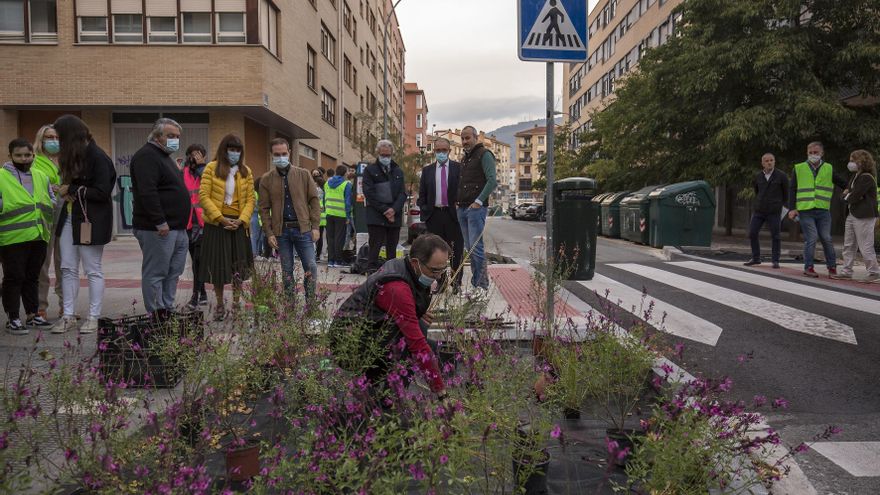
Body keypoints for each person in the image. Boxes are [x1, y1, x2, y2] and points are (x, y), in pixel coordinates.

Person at [330, 233, 449, 396]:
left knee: (427, 338)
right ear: (416, 263)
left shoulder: (403, 266)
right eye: (435, 270)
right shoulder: (396, 287)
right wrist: (440, 391)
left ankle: (371, 385)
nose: (439, 276)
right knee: (411, 345)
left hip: (369, 332)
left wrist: (413, 312)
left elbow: (391, 306)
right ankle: (389, 400)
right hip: (350, 345)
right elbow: (417, 344)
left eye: (443, 269)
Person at [51, 115, 116, 334]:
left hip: (91, 221)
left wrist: (71, 190)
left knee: (92, 269)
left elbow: (102, 192)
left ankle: (94, 317)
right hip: (70, 218)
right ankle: (68, 315)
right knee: (67, 268)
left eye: (60, 138)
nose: (57, 142)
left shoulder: (98, 157)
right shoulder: (73, 157)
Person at [130, 118, 191, 316]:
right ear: (157, 136)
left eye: (177, 137)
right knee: (156, 272)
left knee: (174, 271)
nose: (175, 140)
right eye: (170, 136)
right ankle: (156, 314)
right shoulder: (147, 156)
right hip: (158, 229)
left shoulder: (165, 157)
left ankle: (167, 308)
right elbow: (148, 192)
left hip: (178, 228)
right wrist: (159, 221)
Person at [198, 134, 255, 320]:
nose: (234, 153)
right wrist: (221, 219)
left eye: (238, 150)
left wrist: (241, 220)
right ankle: (220, 304)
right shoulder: (211, 168)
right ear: (224, 150)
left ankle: (237, 304)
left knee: (238, 267)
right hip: (217, 224)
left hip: (238, 225)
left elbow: (250, 200)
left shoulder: (246, 171)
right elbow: (204, 197)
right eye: (231, 149)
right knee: (218, 268)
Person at [1, 139, 53, 334]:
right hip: (12, 237)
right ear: (10, 157)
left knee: (32, 277)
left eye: (27, 155)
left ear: (33, 155)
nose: (24, 159)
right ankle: (12, 318)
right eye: (19, 155)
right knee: (14, 277)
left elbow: (50, 200)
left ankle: (33, 314)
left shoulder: (41, 176)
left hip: (39, 235)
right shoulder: (1, 177)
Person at [258, 138, 321, 299]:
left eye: (284, 154)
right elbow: (264, 208)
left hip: (303, 230)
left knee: (311, 266)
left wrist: (315, 226)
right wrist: (269, 233)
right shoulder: (266, 179)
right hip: (281, 232)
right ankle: (289, 305)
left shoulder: (304, 174)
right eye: (277, 154)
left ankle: (311, 303)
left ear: (289, 153)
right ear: (271, 155)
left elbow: (314, 200)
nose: (281, 157)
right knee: (286, 269)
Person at [788, 141, 848, 278]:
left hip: (823, 210)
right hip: (805, 210)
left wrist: (847, 190)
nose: (813, 155)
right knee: (812, 238)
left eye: (816, 153)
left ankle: (832, 268)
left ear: (822, 153)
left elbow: (843, 183)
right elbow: (792, 189)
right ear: (807, 153)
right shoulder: (798, 168)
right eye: (810, 152)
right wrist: (792, 208)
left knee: (826, 238)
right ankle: (809, 267)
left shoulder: (829, 168)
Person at [418, 137, 464, 290]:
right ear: (434, 151)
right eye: (438, 150)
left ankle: (456, 282)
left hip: (454, 216)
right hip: (434, 216)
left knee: (456, 250)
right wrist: (425, 210)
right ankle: (441, 282)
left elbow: (464, 190)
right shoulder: (427, 170)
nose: (441, 153)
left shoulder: (459, 168)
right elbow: (422, 195)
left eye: (444, 150)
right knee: (436, 252)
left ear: (449, 151)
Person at [457, 125, 497, 292]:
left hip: (475, 209)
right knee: (470, 248)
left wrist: (479, 201)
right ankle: (476, 284)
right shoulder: (465, 158)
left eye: (468, 138)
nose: (465, 141)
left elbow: (492, 181)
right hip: (462, 208)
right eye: (462, 138)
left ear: (476, 138)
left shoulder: (484, 154)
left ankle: (481, 285)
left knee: (476, 247)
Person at [832, 150, 879, 282]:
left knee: (865, 245)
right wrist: (848, 195)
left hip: (864, 215)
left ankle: (874, 272)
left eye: (853, 160)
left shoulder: (866, 177)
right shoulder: (855, 176)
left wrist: (848, 195)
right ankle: (846, 271)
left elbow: (853, 196)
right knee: (849, 244)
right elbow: (848, 194)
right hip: (852, 214)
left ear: (862, 161)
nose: (850, 163)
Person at [32, 125, 63, 321]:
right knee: (43, 262)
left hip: (65, 213)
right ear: (41, 140)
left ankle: (65, 305)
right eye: (49, 137)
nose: (53, 141)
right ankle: (40, 305)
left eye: (56, 137)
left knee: (65, 262)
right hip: (45, 215)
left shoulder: (67, 159)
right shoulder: (35, 161)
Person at [362, 140, 407, 273]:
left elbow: (402, 193)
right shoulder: (370, 170)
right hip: (376, 216)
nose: (385, 158)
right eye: (383, 155)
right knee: (374, 247)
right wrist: (385, 210)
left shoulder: (398, 171)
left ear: (392, 154)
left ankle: (391, 274)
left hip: (394, 216)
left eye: (388, 155)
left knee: (392, 249)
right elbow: (369, 193)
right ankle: (371, 273)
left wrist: (393, 209)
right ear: (378, 153)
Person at [744, 153, 789, 268]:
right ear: (762, 163)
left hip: (774, 211)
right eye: (767, 161)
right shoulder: (758, 176)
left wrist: (781, 206)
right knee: (752, 233)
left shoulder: (781, 176)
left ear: (774, 161)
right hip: (759, 210)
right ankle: (756, 258)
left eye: (772, 160)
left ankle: (775, 260)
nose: (769, 162)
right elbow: (757, 191)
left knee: (776, 236)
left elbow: (786, 195)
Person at [182, 144, 209, 308]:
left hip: (203, 222)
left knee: (199, 259)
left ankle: (195, 296)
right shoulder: (183, 172)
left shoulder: (207, 170)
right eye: (192, 155)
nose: (194, 157)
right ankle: (203, 292)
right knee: (195, 261)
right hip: (188, 223)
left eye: (198, 154)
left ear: (204, 156)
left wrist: (199, 166)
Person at [324, 165, 353, 268]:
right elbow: (348, 202)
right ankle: (338, 261)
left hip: (329, 213)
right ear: (345, 173)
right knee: (339, 239)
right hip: (341, 215)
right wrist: (348, 216)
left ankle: (330, 261)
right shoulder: (347, 184)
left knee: (330, 238)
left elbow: (324, 198)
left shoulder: (327, 183)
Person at [312, 168, 327, 262]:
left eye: (317, 174)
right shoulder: (310, 185)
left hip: (322, 214)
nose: (315, 176)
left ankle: (318, 254)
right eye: (314, 174)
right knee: (313, 235)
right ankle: (314, 254)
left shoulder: (324, 186)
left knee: (320, 236)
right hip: (313, 213)